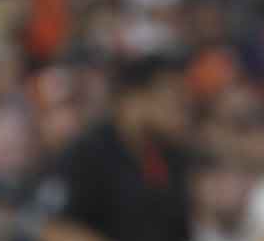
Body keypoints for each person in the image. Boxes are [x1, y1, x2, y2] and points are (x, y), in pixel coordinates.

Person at [39, 53, 193, 241]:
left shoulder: (173, 158)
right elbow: (53, 229)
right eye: (172, 95)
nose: (182, 105)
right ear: (135, 98)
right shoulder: (88, 153)